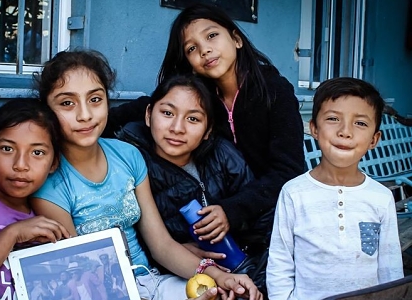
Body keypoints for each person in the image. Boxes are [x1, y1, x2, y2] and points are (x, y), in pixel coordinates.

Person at [30, 49, 262, 300]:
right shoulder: (51, 183)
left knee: (220, 293)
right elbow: (79, 276)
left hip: (151, 281)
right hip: (102, 291)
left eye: (95, 99)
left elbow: (161, 245)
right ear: (46, 110)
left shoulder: (127, 155)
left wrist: (219, 276)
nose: (84, 114)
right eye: (67, 103)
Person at [104, 3, 304, 257]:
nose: (205, 49)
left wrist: (233, 209)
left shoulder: (274, 91)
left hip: (273, 217)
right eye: (191, 48)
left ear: (236, 39)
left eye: (212, 36)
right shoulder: (201, 99)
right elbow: (148, 106)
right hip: (218, 222)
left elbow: (289, 170)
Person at [266, 77, 404, 299]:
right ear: (314, 129)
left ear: (374, 139)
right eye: (333, 118)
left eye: (360, 123)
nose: (345, 131)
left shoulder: (381, 198)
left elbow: (390, 267)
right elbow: (280, 263)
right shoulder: (293, 193)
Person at [116, 74, 259, 274]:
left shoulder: (223, 155)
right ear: (148, 115)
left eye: (193, 119)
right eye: (167, 113)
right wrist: (178, 253)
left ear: (208, 129)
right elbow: (129, 238)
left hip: (241, 267)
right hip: (172, 277)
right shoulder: (130, 163)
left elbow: (261, 219)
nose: (177, 128)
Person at [0, 99, 70, 299]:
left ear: (54, 162)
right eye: (7, 149)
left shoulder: (49, 213)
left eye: (37, 152)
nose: (20, 165)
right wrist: (12, 234)